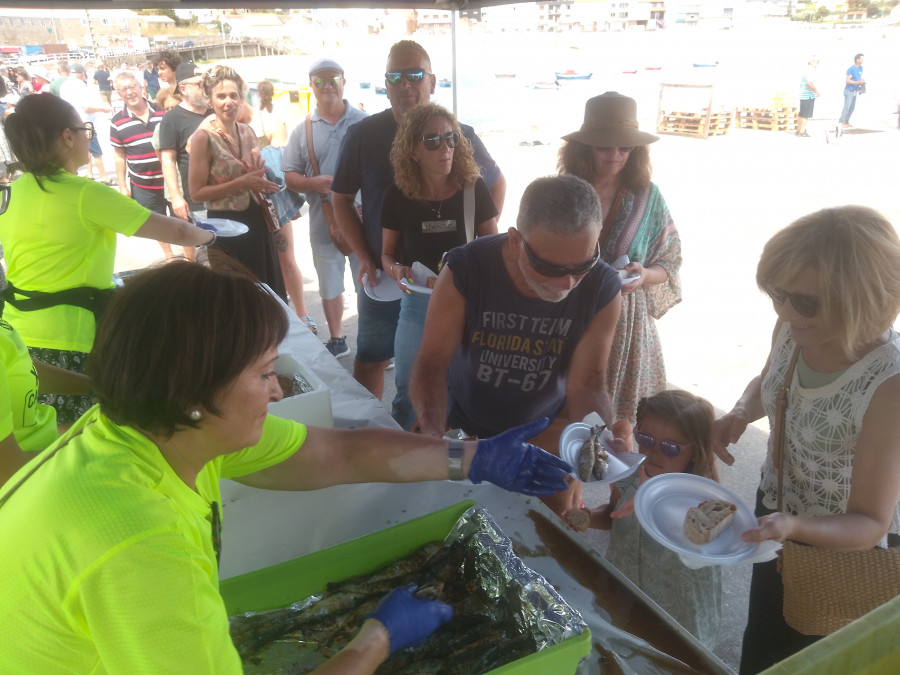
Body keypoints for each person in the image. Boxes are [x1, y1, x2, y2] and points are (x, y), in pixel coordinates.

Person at [0, 261, 573, 672]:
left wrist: (472, 457)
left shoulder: (159, 427)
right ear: (193, 391)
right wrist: (377, 639)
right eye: (263, 373)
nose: (277, 391)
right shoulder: (141, 542)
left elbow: (336, 453)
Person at [710, 206, 900, 673]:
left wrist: (794, 530)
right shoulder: (794, 327)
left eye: (805, 302)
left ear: (863, 300)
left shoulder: (887, 385)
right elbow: (770, 380)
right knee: (764, 646)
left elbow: (872, 523)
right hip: (777, 514)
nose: (785, 312)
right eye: (777, 294)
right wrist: (739, 412)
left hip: (837, 544)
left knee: (809, 658)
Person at [0, 94, 218, 426]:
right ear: (68, 136)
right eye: (85, 128)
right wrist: (212, 234)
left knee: (44, 437)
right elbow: (181, 233)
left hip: (19, 338)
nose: (91, 136)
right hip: (71, 340)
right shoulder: (86, 193)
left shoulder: (12, 191)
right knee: (84, 436)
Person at [410, 175, 622, 516]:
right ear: (514, 241)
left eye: (583, 265)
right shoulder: (467, 269)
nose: (566, 282)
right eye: (548, 267)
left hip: (546, 434)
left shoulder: (602, 287)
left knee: (546, 532)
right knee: (456, 521)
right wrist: (435, 434)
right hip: (466, 431)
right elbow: (432, 364)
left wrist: (601, 446)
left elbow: (588, 383)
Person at [331, 40, 507, 401]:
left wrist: (478, 236)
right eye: (394, 76)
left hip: (454, 284)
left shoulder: (461, 134)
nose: (405, 84)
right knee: (371, 359)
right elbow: (341, 199)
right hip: (385, 275)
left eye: (415, 74)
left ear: (432, 81)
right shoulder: (362, 135)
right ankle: (375, 435)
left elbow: (495, 183)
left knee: (450, 367)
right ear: (386, 83)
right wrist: (365, 256)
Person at [557, 92, 681, 445]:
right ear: (585, 148)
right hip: (570, 314)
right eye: (604, 147)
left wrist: (643, 276)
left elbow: (669, 261)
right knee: (568, 418)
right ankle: (570, 496)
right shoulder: (563, 192)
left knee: (624, 426)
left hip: (626, 327)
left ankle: (619, 500)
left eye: (624, 148)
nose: (615, 155)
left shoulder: (647, 195)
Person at [572, 390, 722, 648]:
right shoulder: (629, 477)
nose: (654, 453)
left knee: (672, 656)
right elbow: (613, 515)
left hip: (676, 604)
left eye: (670, 447)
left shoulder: (700, 500)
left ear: (696, 452)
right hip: (624, 586)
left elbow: (710, 546)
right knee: (619, 646)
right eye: (646, 439)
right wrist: (589, 518)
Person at [381, 102, 498, 430]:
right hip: (418, 302)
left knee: (466, 388)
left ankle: (459, 459)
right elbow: (387, 254)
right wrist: (396, 271)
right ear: (413, 151)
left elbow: (495, 248)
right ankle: (405, 454)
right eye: (432, 140)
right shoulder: (398, 196)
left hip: (466, 304)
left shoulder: (473, 190)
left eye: (451, 138)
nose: (444, 147)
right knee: (407, 387)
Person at [283, 57, 368, 358]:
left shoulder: (364, 121)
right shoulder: (301, 129)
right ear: (311, 86)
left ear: (344, 82)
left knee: (368, 278)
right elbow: (290, 175)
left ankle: (370, 339)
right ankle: (337, 339)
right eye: (319, 80)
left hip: (364, 219)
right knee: (329, 281)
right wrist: (315, 182)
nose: (327, 85)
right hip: (324, 220)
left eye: (333, 78)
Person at [187, 65, 287, 301]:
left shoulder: (247, 132)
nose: (228, 102)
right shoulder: (204, 137)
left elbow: (256, 176)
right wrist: (243, 181)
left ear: (242, 98)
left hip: (256, 220)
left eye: (233, 96)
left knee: (265, 292)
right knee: (238, 296)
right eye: (221, 96)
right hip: (224, 226)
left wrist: (262, 182)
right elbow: (197, 193)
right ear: (209, 100)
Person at [249, 80, 313, 329]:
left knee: (285, 258)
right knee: (281, 259)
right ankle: (294, 315)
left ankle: (301, 315)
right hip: (259, 199)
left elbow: (277, 156)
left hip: (270, 197)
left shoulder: (263, 120)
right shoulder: (275, 115)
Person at [109, 70, 171, 259]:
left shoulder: (162, 112)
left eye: (132, 87)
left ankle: (190, 259)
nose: (129, 92)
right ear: (118, 94)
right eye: (123, 89)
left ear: (140, 87)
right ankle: (170, 257)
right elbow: (119, 155)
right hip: (143, 184)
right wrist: (122, 186)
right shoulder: (117, 122)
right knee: (157, 224)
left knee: (183, 220)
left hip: (171, 181)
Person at [158, 60, 211, 243]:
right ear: (183, 89)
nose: (204, 88)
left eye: (205, 83)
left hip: (225, 195)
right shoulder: (172, 119)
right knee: (207, 249)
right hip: (197, 200)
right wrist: (176, 197)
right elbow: (167, 161)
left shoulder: (215, 111)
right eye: (198, 84)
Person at [59, 62, 111, 183]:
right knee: (96, 151)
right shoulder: (80, 85)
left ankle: (89, 173)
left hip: (69, 123)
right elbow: (87, 107)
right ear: (82, 73)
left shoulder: (64, 85)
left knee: (83, 149)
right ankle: (103, 176)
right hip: (85, 123)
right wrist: (103, 109)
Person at [839, 53, 865, 128]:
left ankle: (846, 121)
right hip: (849, 90)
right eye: (862, 58)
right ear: (857, 60)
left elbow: (858, 77)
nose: (863, 60)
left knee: (852, 107)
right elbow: (847, 81)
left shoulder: (861, 68)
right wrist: (857, 82)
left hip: (855, 90)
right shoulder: (851, 69)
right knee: (847, 106)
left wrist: (861, 81)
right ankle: (841, 121)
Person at [796, 56, 819, 138]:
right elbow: (808, 83)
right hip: (808, 95)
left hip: (803, 95)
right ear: (812, 62)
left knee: (801, 113)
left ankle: (799, 130)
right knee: (806, 115)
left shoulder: (805, 70)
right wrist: (816, 91)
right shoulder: (811, 70)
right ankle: (802, 131)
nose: (817, 63)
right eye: (816, 61)